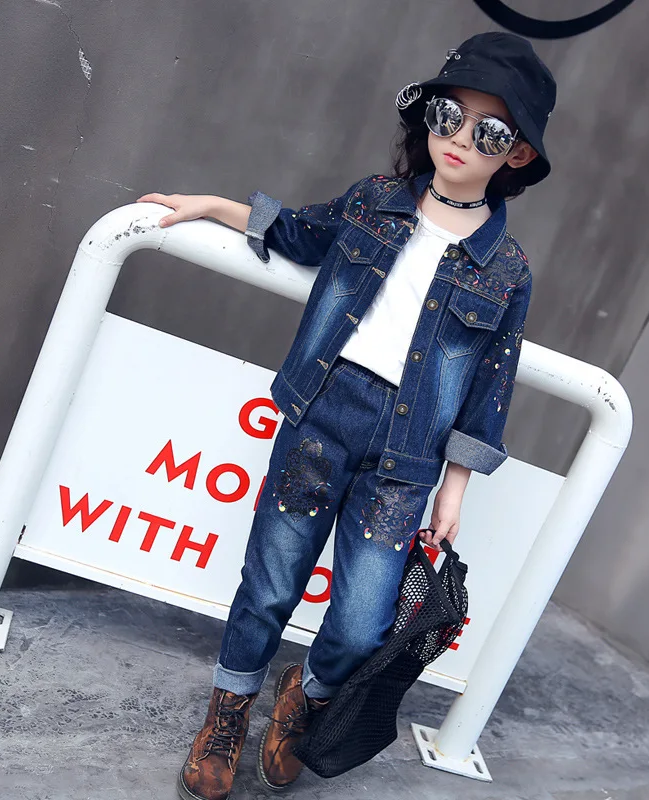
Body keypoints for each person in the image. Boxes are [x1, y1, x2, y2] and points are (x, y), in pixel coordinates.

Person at [138, 31, 557, 800]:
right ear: (429, 116)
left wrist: (456, 488)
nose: (461, 139)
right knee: (270, 583)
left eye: (490, 132)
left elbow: (490, 384)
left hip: (407, 456)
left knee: (363, 621)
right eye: (449, 116)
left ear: (518, 154)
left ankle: (305, 697)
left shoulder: (507, 269)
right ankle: (226, 717)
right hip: (322, 418)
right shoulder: (374, 201)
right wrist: (208, 205)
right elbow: (298, 232)